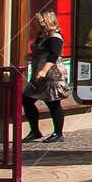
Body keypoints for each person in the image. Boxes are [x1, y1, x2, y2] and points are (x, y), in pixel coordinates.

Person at [22, 11, 69, 143]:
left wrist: (43, 70)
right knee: (27, 100)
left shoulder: (55, 37)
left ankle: (58, 133)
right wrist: (32, 56)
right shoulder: (41, 36)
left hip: (51, 74)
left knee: (53, 103)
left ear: (45, 21)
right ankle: (35, 131)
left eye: (37, 21)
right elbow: (41, 52)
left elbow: (53, 55)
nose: (35, 24)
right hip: (38, 74)